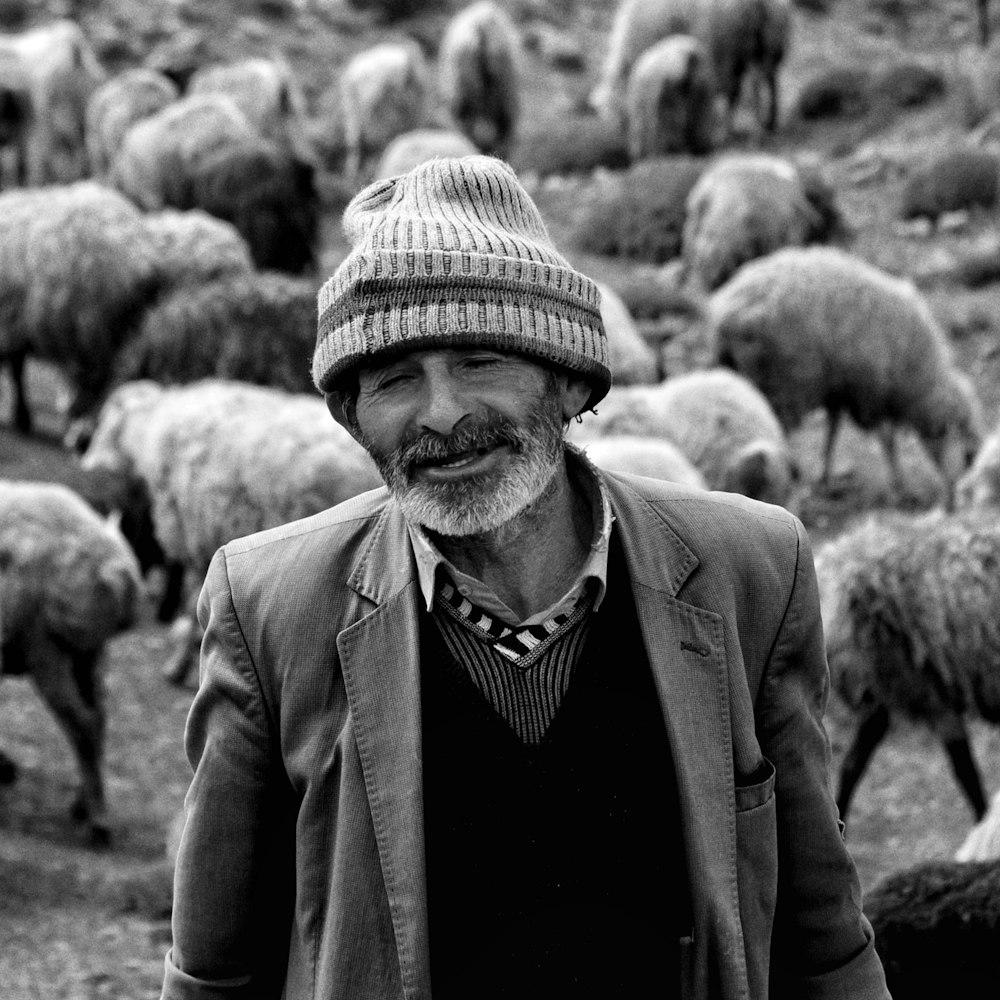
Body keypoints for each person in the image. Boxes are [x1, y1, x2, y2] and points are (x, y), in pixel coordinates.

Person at [161, 155, 890, 999]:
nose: (440, 413)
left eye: (479, 361)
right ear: (354, 418)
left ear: (569, 376)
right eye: (394, 378)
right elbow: (212, 972)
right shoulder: (271, 607)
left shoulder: (749, 572)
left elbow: (825, 945)